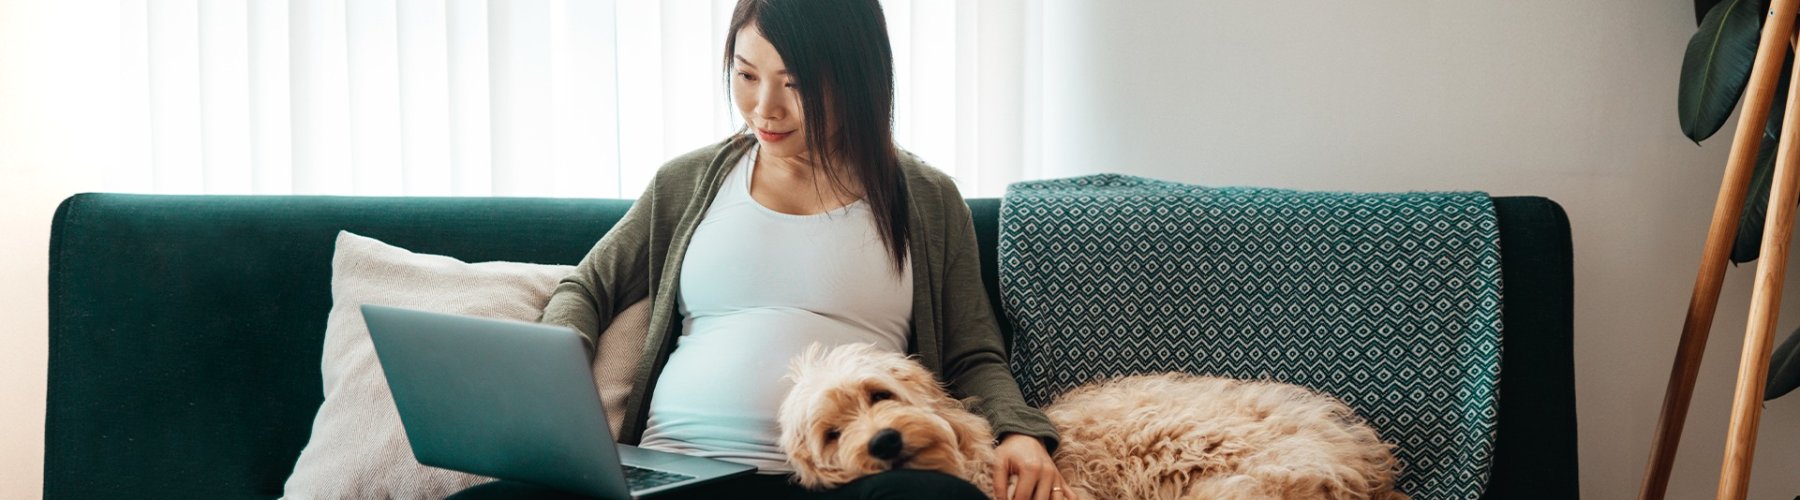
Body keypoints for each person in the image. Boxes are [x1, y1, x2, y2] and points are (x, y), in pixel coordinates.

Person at [539, 0, 1064, 498]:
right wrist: (549, 376)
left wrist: (1019, 432)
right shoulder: (686, 183)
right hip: (677, 471)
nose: (764, 108)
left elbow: (972, 354)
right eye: (746, 76)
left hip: (846, 479)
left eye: (795, 84)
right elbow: (587, 287)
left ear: (858, 80)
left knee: (933, 497)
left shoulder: (927, 199)